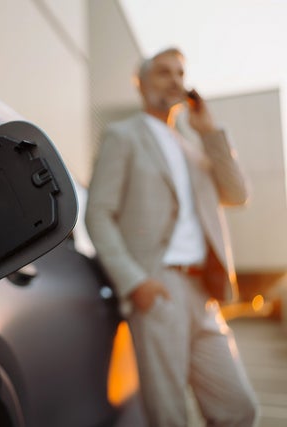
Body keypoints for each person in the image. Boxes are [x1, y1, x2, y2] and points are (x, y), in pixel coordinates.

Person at [85, 47, 258, 426]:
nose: (175, 81)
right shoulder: (123, 135)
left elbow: (238, 194)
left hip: (205, 294)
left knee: (239, 407)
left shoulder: (195, 149)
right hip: (159, 287)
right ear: (141, 83)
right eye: (164, 72)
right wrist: (135, 282)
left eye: (180, 73)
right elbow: (98, 213)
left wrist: (210, 133)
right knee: (169, 415)